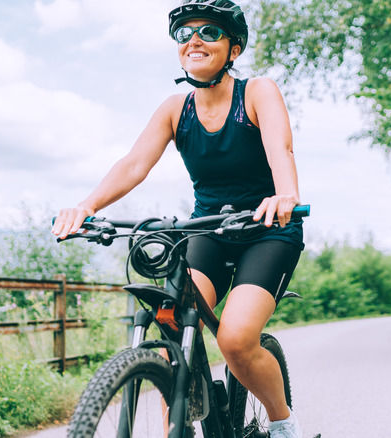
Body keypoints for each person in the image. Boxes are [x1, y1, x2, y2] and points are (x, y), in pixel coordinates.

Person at [52, 1, 305, 436]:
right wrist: (87, 206)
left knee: (235, 339)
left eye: (209, 32)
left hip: (268, 229)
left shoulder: (258, 91)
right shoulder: (175, 108)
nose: (194, 40)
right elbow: (133, 165)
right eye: (185, 33)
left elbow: (280, 148)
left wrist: (285, 195)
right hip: (208, 229)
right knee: (173, 335)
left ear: (234, 49)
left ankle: (283, 423)